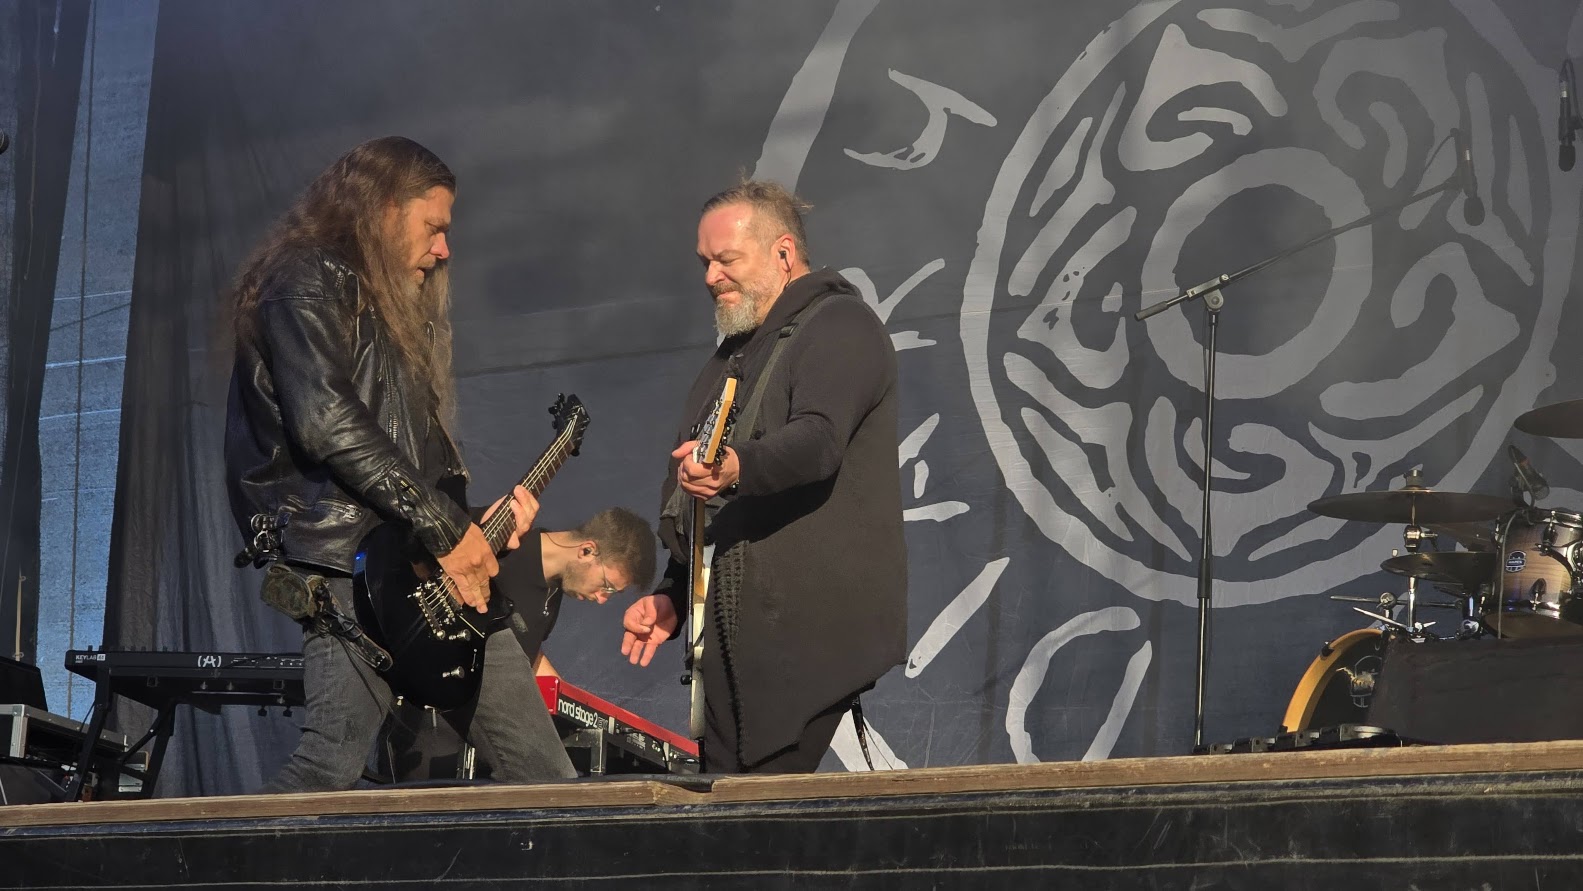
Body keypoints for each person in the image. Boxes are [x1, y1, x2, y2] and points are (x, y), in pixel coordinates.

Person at [225, 136, 608, 792]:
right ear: (381, 208)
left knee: (548, 779)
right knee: (328, 765)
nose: (444, 248)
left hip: (428, 566)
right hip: (350, 570)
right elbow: (326, 422)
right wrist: (447, 529)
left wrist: (474, 522)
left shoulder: (392, 307)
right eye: (433, 227)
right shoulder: (304, 276)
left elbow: (413, 465)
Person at [620, 180, 908, 773]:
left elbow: (819, 439)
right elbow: (710, 502)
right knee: (733, 805)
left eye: (727, 259)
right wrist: (674, 594)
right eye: (704, 263)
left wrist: (737, 466)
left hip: (803, 632)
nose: (711, 277)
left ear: (783, 252)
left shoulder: (841, 324)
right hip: (734, 635)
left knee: (759, 805)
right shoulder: (734, 355)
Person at [384, 507, 657, 781]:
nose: (602, 598)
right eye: (607, 586)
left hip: (484, 735)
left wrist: (584, 709)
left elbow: (526, 656)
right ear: (587, 550)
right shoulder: (504, 545)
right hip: (436, 726)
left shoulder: (553, 591)